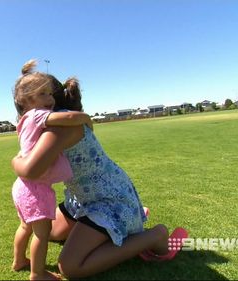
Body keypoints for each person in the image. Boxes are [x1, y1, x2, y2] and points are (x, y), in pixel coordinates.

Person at [12, 68, 188, 279]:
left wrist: (14, 161)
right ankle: (123, 225)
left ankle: (154, 236)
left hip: (108, 200)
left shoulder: (57, 129)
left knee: (71, 267)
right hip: (83, 198)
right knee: (48, 233)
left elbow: (31, 170)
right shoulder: (60, 122)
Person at [11, 60, 93, 280]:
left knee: (24, 227)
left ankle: (19, 260)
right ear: (28, 101)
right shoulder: (36, 115)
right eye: (44, 94)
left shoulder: (24, 120)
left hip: (23, 187)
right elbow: (65, 117)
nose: (51, 99)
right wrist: (85, 118)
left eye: (50, 94)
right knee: (41, 233)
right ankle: (37, 273)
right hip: (37, 188)